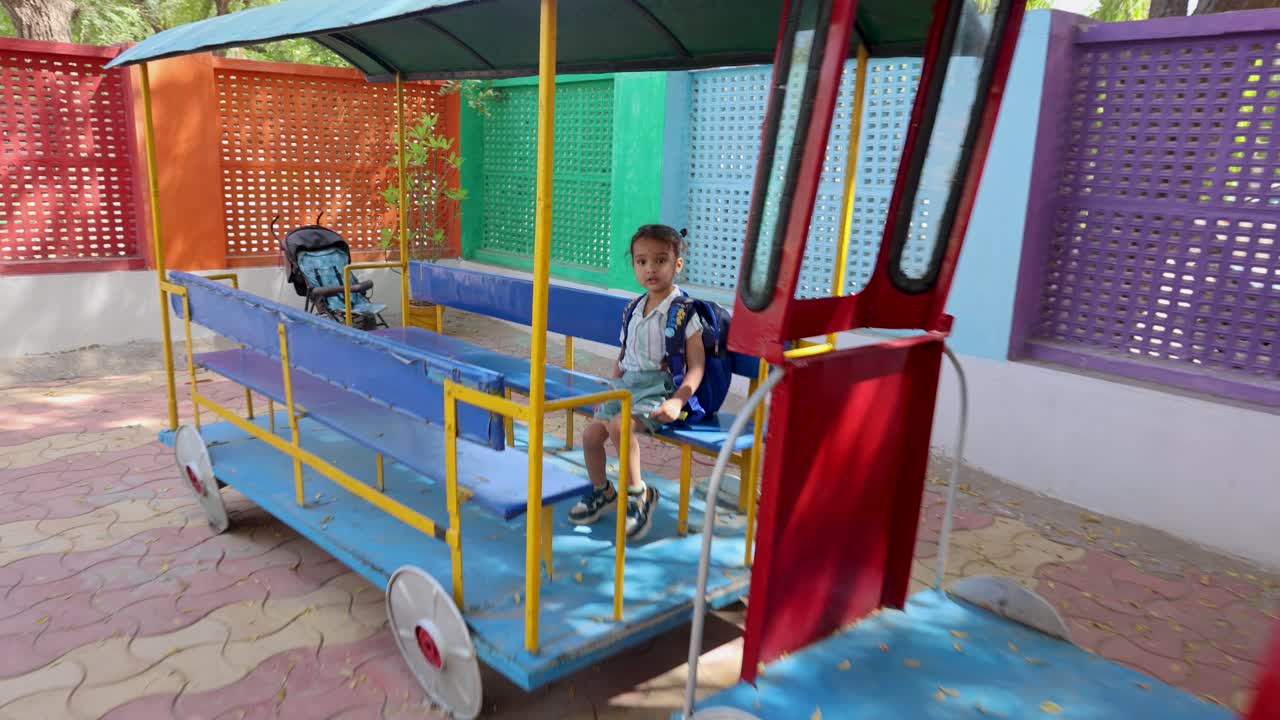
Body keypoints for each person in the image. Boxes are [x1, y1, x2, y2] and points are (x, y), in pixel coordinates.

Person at [567, 224, 706, 541]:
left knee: (619, 426)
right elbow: (623, 355)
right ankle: (603, 491)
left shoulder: (683, 311)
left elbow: (697, 367)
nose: (650, 269)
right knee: (590, 434)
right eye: (642, 261)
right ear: (633, 265)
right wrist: (611, 387)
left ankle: (639, 495)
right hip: (627, 385)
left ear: (677, 265)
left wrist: (678, 401)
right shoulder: (633, 308)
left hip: (660, 389)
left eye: (660, 260)